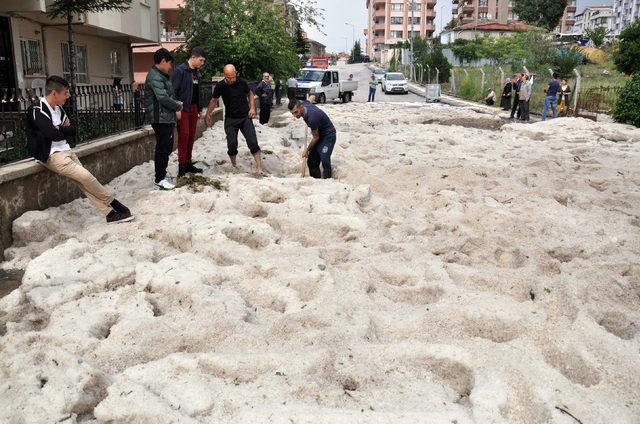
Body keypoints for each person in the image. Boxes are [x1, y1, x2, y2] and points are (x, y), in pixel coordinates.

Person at [26, 76, 133, 223]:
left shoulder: (58, 108)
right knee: (87, 178)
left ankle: (110, 214)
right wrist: (62, 129)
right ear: (54, 93)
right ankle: (115, 204)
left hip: (66, 150)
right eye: (65, 93)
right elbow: (52, 134)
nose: (68, 96)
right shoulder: (37, 109)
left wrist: (60, 129)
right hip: (51, 155)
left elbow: (73, 129)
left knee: (84, 182)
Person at [205, 64, 263, 174]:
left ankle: (259, 167)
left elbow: (250, 94)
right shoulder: (220, 86)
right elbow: (213, 100)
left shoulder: (241, 82)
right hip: (230, 119)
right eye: (229, 77)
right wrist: (208, 114)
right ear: (225, 75)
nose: (232, 79)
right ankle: (234, 165)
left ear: (235, 73)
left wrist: (252, 107)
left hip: (245, 117)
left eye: (233, 77)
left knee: (252, 142)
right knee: (232, 144)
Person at [145, 48, 184, 190]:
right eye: (169, 64)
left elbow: (168, 94)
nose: (170, 67)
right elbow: (162, 98)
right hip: (159, 118)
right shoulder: (155, 76)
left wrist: (175, 104)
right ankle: (159, 178)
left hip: (165, 117)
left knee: (166, 147)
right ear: (163, 61)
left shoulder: (161, 75)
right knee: (162, 148)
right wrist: (177, 106)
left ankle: (161, 176)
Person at [171, 46, 206, 177]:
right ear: (193, 57)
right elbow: (173, 91)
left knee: (191, 136)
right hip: (183, 108)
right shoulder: (180, 70)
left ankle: (188, 162)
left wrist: (200, 108)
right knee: (183, 136)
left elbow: (198, 91)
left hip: (194, 108)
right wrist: (176, 109)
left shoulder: (196, 72)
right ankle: (182, 166)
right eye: (201, 60)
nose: (202, 63)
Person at [288, 99, 336, 179]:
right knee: (311, 161)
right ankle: (316, 181)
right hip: (319, 135)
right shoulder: (305, 103)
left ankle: (327, 182)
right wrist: (311, 98)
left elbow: (315, 137)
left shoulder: (312, 118)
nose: (295, 116)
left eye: (296, 112)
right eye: (292, 113)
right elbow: (309, 99)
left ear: (301, 107)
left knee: (324, 158)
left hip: (328, 135)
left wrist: (306, 150)